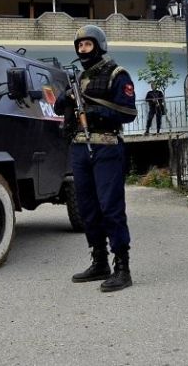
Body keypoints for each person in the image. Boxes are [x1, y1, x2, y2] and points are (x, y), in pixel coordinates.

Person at [54, 25, 138, 292]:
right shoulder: (78, 80)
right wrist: (65, 97)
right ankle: (99, 261)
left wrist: (95, 112)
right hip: (80, 149)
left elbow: (128, 112)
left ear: (99, 46)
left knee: (110, 208)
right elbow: (58, 107)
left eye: (87, 44)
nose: (82, 50)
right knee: (87, 209)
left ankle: (122, 268)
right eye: (79, 46)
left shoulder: (117, 74)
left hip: (107, 147)